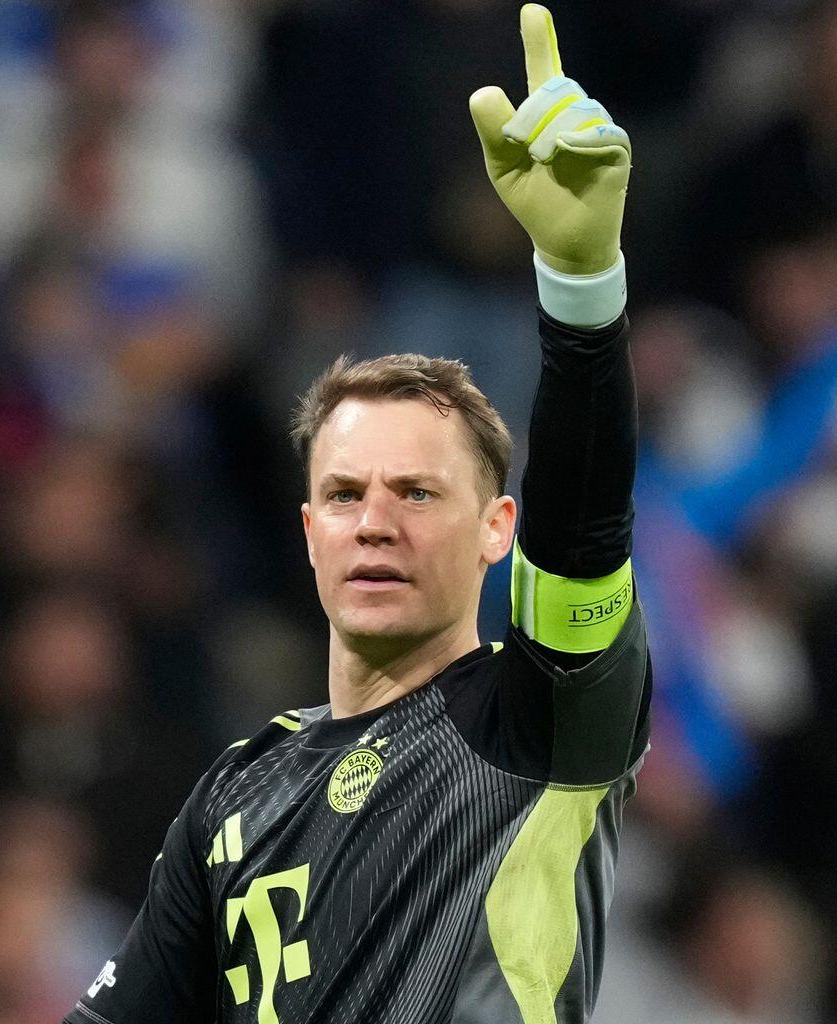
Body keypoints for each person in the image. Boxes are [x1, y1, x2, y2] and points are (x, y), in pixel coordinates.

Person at [62, 6, 652, 1021]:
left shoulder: (538, 720)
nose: (374, 521)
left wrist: (581, 287)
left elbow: (585, 527)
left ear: (496, 529)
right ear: (307, 534)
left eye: (417, 491)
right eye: (344, 494)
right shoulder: (234, 796)